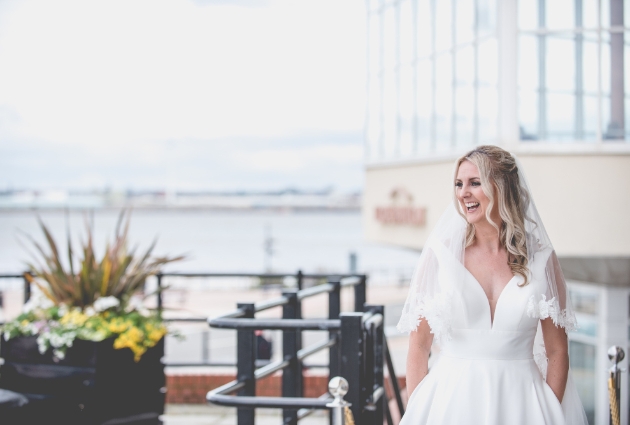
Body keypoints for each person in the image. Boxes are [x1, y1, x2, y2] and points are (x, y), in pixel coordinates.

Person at [397, 146, 588, 424]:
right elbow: (418, 345)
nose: (463, 193)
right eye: (459, 184)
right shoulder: (441, 256)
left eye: (475, 183)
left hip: (524, 407)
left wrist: (547, 409)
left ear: (502, 187)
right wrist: (418, 409)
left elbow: (557, 349)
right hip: (448, 404)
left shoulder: (542, 259)